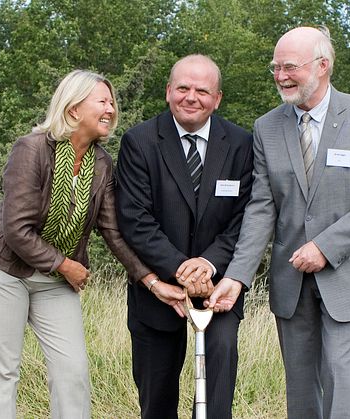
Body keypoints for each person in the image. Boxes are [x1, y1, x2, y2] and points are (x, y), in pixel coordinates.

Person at [207, 26, 350, 418]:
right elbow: (262, 207)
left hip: (349, 273)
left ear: (323, 65)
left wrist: (325, 248)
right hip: (290, 280)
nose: (280, 76)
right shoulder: (267, 127)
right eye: (275, 67)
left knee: (339, 372)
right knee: (298, 382)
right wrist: (236, 276)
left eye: (289, 66)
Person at [0, 69, 158, 419]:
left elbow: (112, 231)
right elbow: (16, 229)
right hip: (4, 269)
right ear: (73, 109)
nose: (111, 109)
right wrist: (64, 265)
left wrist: (150, 279)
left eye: (112, 102)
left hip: (55, 281)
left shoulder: (101, 163)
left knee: (72, 371)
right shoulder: (32, 149)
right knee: (2, 373)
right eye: (102, 101)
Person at [115, 54, 254, 419]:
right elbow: (134, 218)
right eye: (183, 88)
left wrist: (208, 266)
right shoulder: (139, 142)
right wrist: (181, 269)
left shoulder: (241, 144)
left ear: (218, 98)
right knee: (157, 401)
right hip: (159, 292)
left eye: (202, 90)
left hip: (219, 293)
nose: (191, 97)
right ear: (168, 92)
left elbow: (246, 218)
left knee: (215, 401)